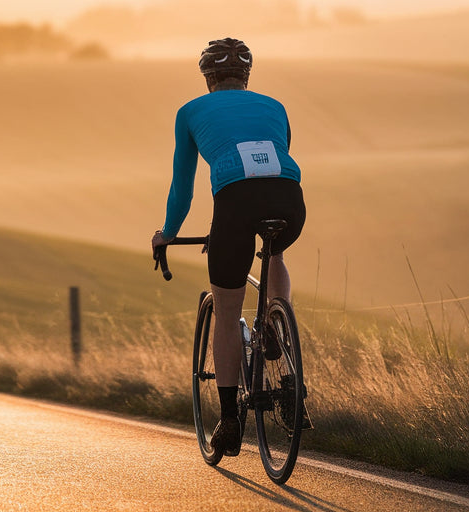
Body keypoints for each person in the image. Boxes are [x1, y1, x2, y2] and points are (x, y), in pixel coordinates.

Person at [151, 38, 306, 456]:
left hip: (235, 203)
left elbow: (182, 186)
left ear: (207, 78)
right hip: (289, 198)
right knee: (274, 252)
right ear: (247, 77)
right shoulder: (274, 105)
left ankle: (230, 420)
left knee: (227, 312)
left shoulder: (190, 112)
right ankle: (278, 328)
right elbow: (277, 158)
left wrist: (168, 231)